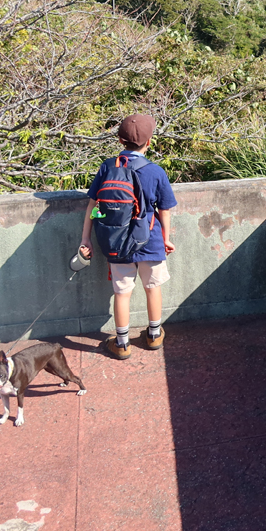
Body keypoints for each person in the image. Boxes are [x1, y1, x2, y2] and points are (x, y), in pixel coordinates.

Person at [79, 114, 176, 359]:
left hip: (117, 240)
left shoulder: (107, 167)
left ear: (120, 141)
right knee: (152, 287)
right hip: (150, 238)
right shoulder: (155, 171)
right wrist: (165, 238)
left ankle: (121, 344)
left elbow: (92, 204)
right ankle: (154, 335)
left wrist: (86, 239)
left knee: (122, 292)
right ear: (150, 142)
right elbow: (164, 208)